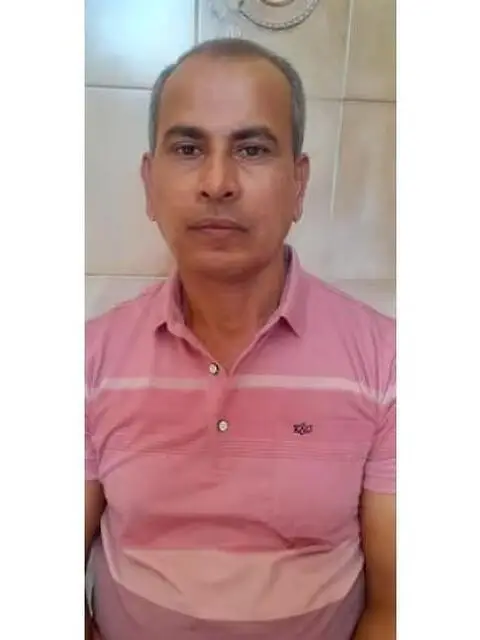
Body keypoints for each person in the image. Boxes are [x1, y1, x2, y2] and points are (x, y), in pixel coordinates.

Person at [85, 38, 396, 640]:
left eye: (252, 149)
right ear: (149, 183)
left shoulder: (387, 362)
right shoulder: (86, 360)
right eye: (188, 148)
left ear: (298, 184)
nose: (218, 182)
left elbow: (401, 604)